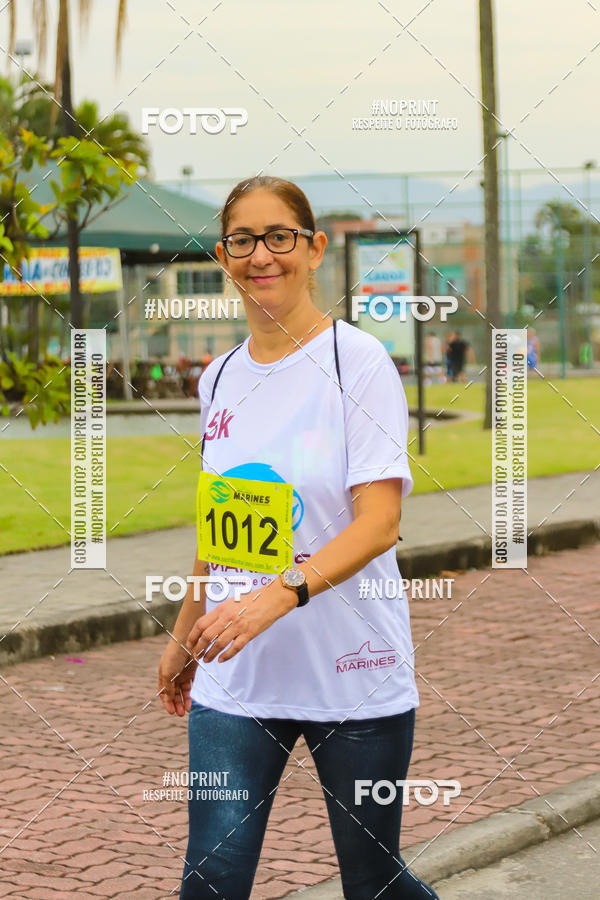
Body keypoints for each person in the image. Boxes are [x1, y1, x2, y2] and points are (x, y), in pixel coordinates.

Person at [158, 175, 440, 900]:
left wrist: (276, 598)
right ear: (223, 255)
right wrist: (188, 627)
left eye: (280, 236)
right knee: (211, 877)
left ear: (313, 249)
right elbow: (221, 522)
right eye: (244, 240)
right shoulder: (218, 378)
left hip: (354, 672)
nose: (263, 256)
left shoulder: (359, 362)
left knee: (373, 880)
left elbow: (380, 522)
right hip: (238, 676)